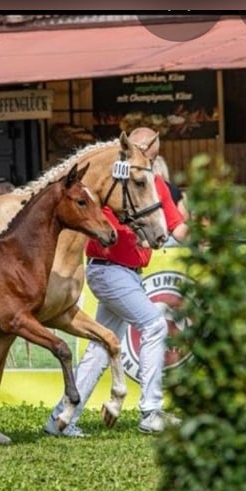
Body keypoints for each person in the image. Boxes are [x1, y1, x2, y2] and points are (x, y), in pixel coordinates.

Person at [44, 126, 189, 437]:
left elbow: (175, 229)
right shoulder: (114, 180)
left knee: (99, 346)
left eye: (152, 155)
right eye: (149, 153)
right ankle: (150, 411)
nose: (151, 159)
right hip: (109, 270)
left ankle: (62, 417)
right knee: (154, 325)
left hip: (125, 272)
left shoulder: (149, 183)